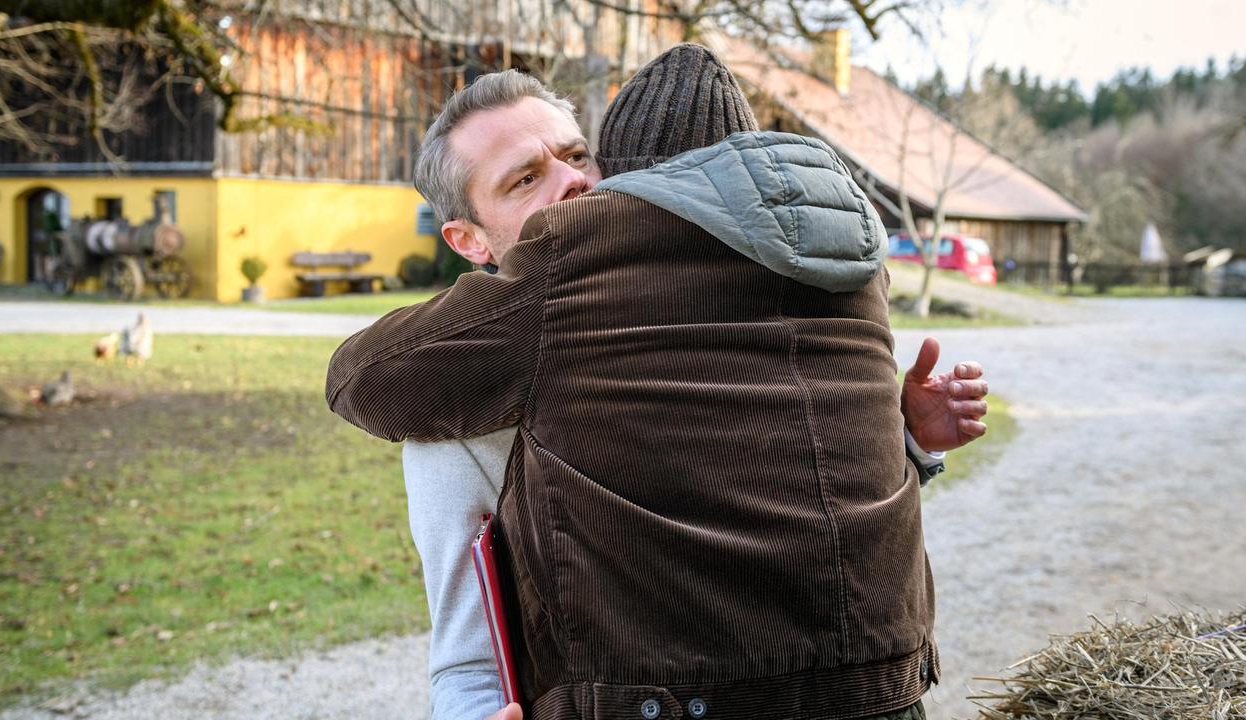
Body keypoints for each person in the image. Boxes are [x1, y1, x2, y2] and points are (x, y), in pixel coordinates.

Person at [334, 52, 988, 720]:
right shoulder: (457, 428)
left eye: (578, 155)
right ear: (466, 238)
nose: (573, 184)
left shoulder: (706, 287)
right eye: (525, 179)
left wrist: (893, 434)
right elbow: (469, 661)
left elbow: (785, 508)